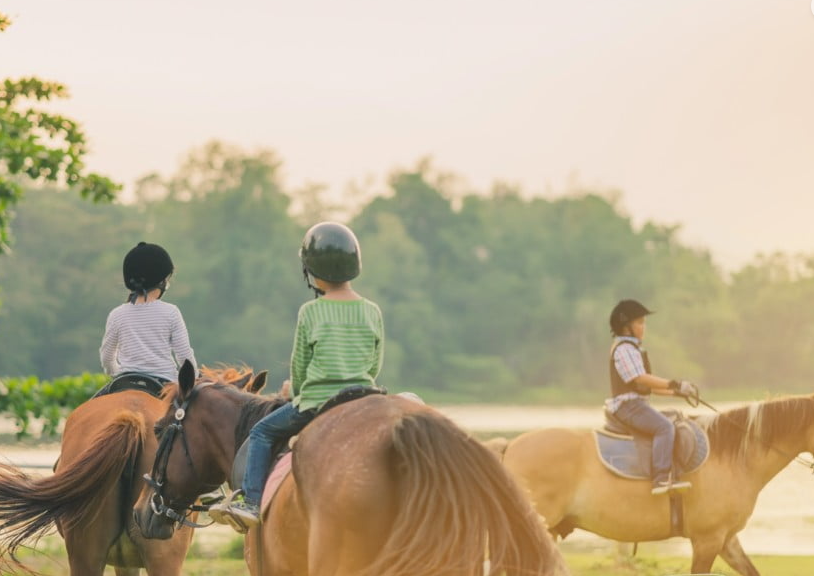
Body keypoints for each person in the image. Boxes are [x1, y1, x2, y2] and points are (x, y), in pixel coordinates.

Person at [211, 221, 384, 528]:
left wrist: (295, 389)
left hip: (319, 403)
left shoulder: (311, 311)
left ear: (311, 271)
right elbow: (374, 365)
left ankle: (251, 502)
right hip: (363, 402)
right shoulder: (372, 310)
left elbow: (300, 365)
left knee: (262, 433)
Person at [606, 299, 695, 495]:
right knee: (665, 427)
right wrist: (675, 383)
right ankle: (661, 479)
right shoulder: (625, 349)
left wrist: (677, 393)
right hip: (629, 406)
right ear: (626, 327)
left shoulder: (634, 349)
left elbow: (648, 387)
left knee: (676, 418)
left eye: (643, 322)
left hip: (636, 404)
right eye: (639, 323)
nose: (643, 327)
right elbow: (640, 378)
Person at [99, 241, 197, 384]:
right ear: (162, 282)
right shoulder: (171, 312)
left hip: (125, 381)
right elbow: (184, 357)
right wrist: (195, 378)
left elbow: (107, 358)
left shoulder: (117, 314)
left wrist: (117, 373)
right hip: (165, 383)